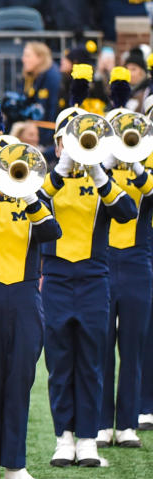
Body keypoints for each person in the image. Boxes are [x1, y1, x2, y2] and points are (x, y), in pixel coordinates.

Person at [40, 65, 137, 468]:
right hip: (59, 277)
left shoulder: (103, 177)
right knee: (60, 361)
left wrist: (98, 172)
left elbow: (128, 210)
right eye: (67, 139)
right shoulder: (43, 176)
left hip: (95, 277)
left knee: (93, 360)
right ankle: (64, 437)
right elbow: (35, 209)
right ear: (58, 142)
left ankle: (88, 438)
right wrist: (61, 173)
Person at [0, 94, 62, 479]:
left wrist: (27, 193)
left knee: (20, 378)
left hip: (24, 298)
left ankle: (16, 465)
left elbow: (52, 232)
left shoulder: (32, 200)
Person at [97, 69, 152, 449]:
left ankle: (128, 423)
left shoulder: (144, 171)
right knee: (101, 346)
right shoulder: (95, 169)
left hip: (136, 262)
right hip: (102, 262)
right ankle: (101, 423)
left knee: (132, 345)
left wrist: (134, 163)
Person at [21, 42, 61, 132]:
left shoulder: (53, 77)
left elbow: (53, 111)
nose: (23, 59)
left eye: (27, 56)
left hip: (49, 134)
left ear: (40, 58)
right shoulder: (31, 75)